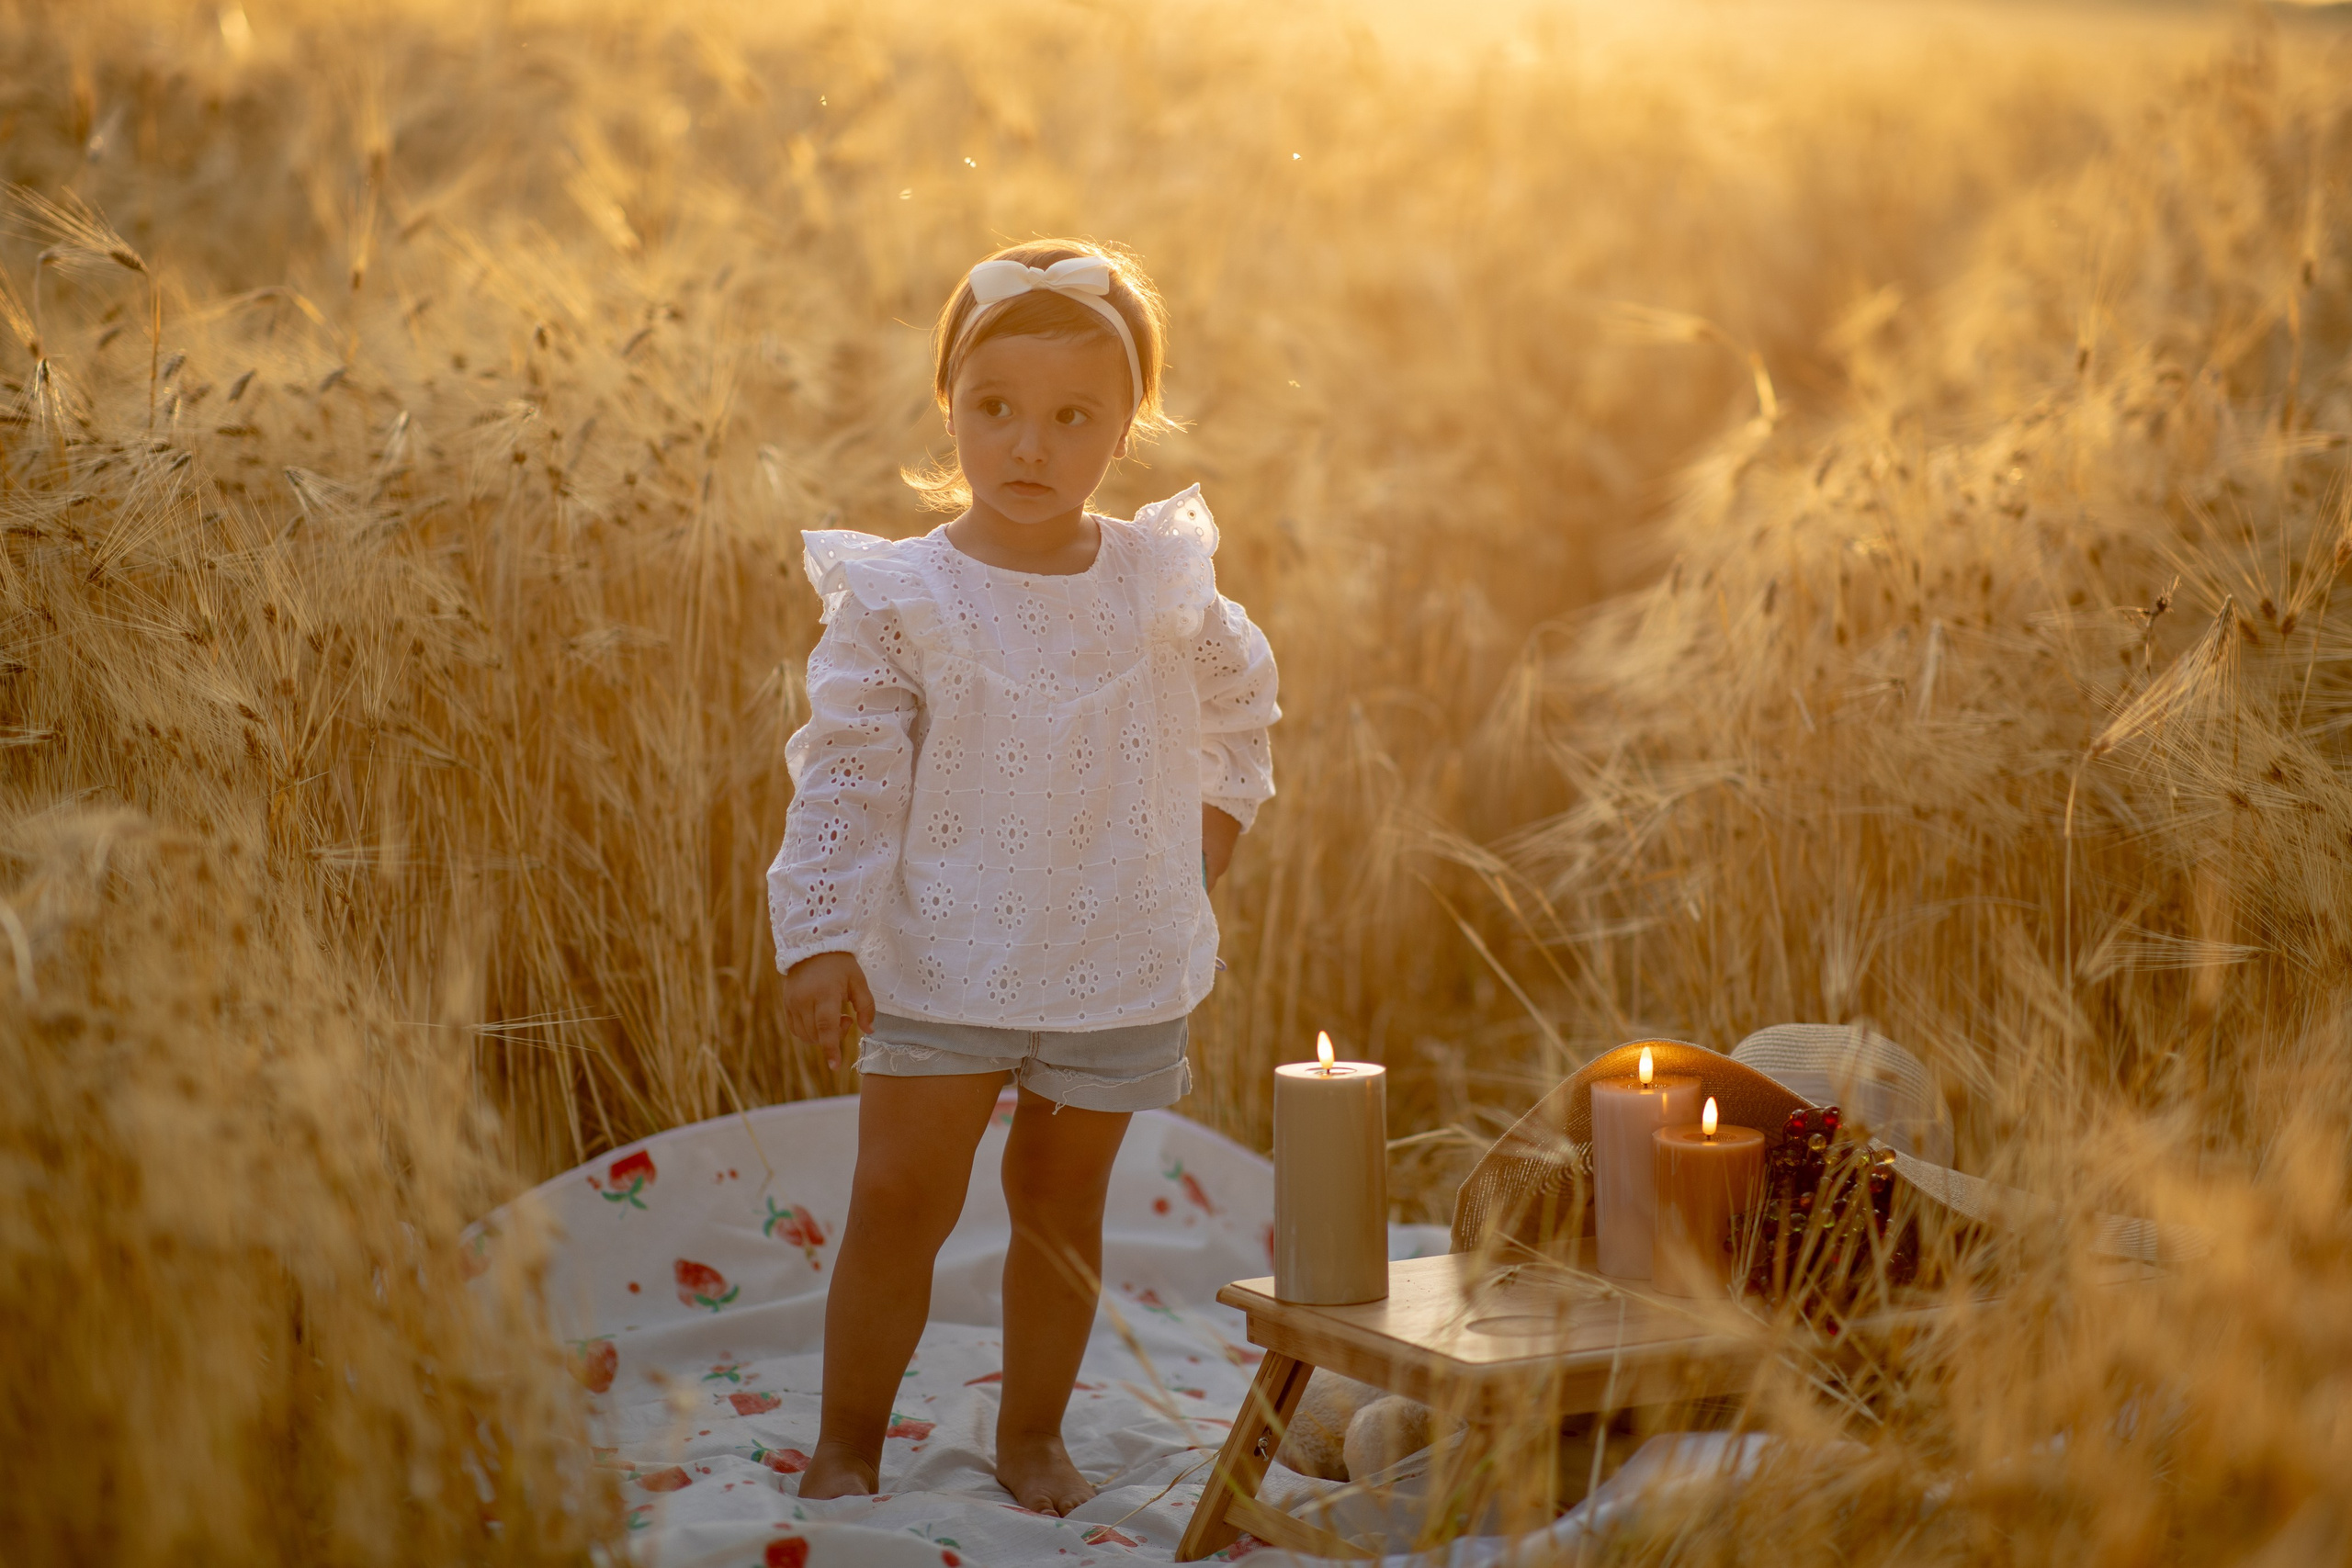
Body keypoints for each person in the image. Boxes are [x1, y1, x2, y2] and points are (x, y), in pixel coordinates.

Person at [766, 241, 1279, 1515]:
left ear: (1124, 432)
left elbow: (1243, 699)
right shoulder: (905, 596)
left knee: (1060, 1209)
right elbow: (846, 770)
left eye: (1072, 418)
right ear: (949, 404)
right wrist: (821, 932)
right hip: (946, 947)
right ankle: (848, 1439)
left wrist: (1216, 824)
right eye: (995, 409)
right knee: (899, 1196)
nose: (1029, 446)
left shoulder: (1159, 580)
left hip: (1113, 949)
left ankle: (1033, 1434)